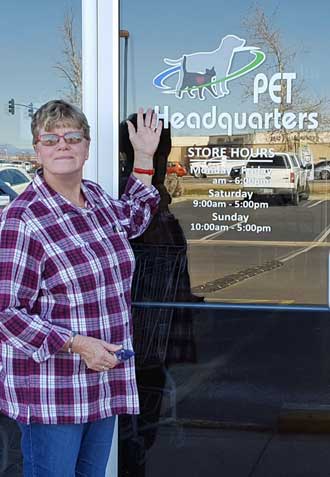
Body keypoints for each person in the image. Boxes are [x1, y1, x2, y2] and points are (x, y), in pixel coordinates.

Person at [0, 100, 162, 477]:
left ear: (87, 147)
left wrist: (142, 156)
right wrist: (76, 343)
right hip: (52, 390)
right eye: (51, 138)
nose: (63, 145)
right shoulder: (23, 219)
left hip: (101, 379)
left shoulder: (97, 200)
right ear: (37, 149)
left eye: (73, 137)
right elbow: (6, 312)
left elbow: (135, 215)